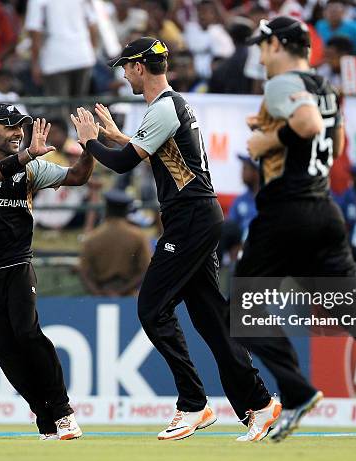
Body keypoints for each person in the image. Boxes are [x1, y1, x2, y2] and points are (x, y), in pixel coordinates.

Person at [71, 36, 280, 442]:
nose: (123, 74)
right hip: (197, 217)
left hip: (190, 220)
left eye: (125, 67)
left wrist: (90, 141)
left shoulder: (164, 107)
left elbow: (122, 165)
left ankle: (192, 404)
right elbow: (150, 151)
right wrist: (114, 135)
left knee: (151, 308)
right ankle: (258, 404)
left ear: (138, 67)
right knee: (210, 320)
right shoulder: (171, 105)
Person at [240, 17, 356, 447]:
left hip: (286, 212)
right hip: (323, 210)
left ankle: (297, 392)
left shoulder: (282, 83)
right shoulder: (325, 85)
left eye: (263, 46)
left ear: (280, 44)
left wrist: (269, 142)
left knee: (243, 311)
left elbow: (306, 124)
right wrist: (274, 130)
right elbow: (335, 144)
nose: (260, 55)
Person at [0, 104, 95, 441]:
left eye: (22, 126)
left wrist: (90, 147)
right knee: (5, 347)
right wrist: (25, 157)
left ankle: (63, 412)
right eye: (10, 126)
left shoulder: (31, 168)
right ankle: (45, 420)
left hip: (16, 261)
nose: (19, 132)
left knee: (27, 333)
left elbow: (78, 177)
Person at [79, 189, 151, 296]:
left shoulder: (92, 237)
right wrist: (121, 291)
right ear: (127, 210)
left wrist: (98, 292)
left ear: (107, 209)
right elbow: (145, 270)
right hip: (129, 296)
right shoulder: (138, 236)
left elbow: (84, 272)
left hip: (100, 295)